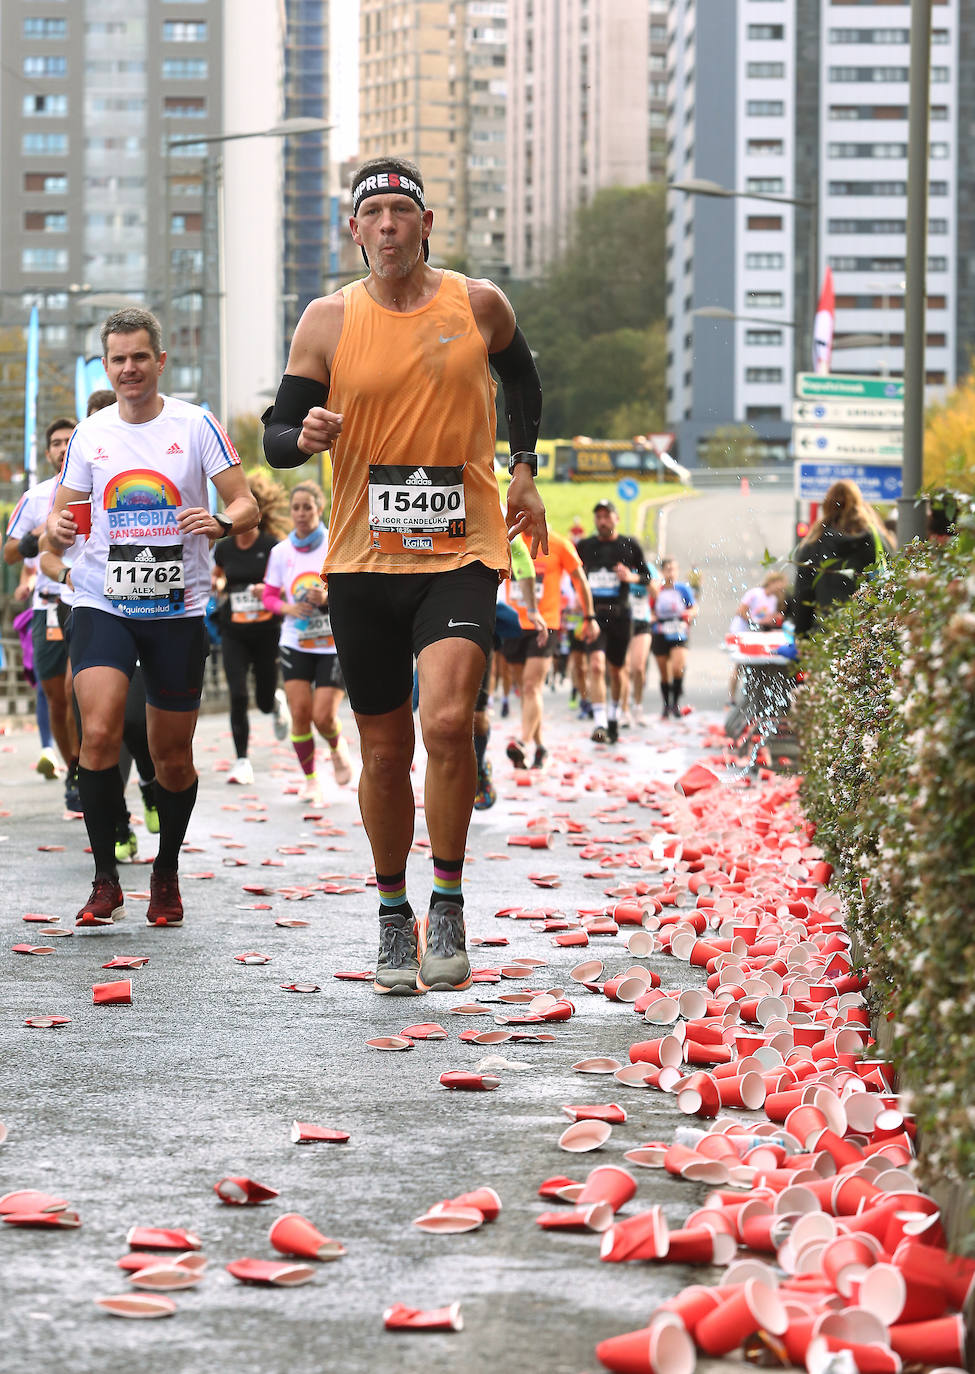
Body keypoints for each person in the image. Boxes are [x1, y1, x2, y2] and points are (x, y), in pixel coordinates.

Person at [263, 154, 547, 996]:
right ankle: (394, 916)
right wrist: (301, 435)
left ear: (425, 226)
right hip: (360, 558)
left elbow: (522, 377)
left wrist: (523, 465)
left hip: (459, 550)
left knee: (449, 721)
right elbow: (278, 437)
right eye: (372, 214)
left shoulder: (478, 303)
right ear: (354, 232)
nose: (387, 226)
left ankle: (449, 903)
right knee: (383, 753)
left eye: (401, 212)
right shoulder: (325, 319)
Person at [47, 306, 258, 928]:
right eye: (119, 359)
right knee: (101, 730)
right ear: (106, 366)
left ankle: (165, 871)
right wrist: (58, 530)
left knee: (172, 757)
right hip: (102, 600)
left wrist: (219, 523)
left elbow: (245, 502)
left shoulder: (196, 426)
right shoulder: (90, 435)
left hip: (176, 606)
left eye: (141, 357)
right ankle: (105, 877)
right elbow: (60, 527)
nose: (130, 368)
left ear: (160, 361)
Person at [40, 386, 162, 862]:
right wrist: (60, 557)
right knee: (95, 723)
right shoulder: (52, 494)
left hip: (148, 604)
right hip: (86, 607)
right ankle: (116, 823)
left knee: (131, 719)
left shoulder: (141, 472)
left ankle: (150, 784)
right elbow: (44, 553)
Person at [4, 417, 82, 809]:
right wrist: (40, 535)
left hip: (86, 602)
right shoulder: (35, 498)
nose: (64, 448)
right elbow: (10, 552)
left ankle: (90, 769)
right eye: (56, 442)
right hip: (48, 607)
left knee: (75, 691)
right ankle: (73, 767)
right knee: (56, 699)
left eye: (71, 440)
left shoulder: (97, 491)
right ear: (48, 451)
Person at [262, 480, 352, 803]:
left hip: (331, 643)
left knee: (322, 715)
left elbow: (353, 590)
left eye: (307, 507)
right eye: (295, 508)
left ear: (320, 507)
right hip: (295, 641)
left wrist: (328, 596)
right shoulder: (280, 553)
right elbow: (270, 596)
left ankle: (337, 747)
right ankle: (311, 779)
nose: (300, 514)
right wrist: (287, 606)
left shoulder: (335, 544)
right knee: (300, 713)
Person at [213, 471, 291, 785]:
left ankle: (275, 700)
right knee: (237, 694)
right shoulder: (225, 547)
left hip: (266, 631)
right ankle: (242, 760)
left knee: (261, 699)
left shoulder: (273, 547)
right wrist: (217, 583)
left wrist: (268, 591)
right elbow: (218, 575)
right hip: (234, 630)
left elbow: (287, 586)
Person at [503, 529, 597, 769]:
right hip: (512, 623)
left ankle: (523, 742)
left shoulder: (559, 545)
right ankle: (540, 747)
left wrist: (589, 617)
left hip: (545, 624)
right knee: (523, 690)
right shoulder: (506, 540)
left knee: (530, 685)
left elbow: (580, 581)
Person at [576, 500, 655, 744]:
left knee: (617, 670)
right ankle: (599, 722)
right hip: (594, 614)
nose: (602, 521)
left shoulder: (629, 545)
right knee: (597, 666)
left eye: (607, 516)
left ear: (616, 518)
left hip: (621, 615)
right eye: (598, 517)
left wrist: (629, 577)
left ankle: (613, 716)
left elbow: (647, 577)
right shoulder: (585, 546)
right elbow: (573, 573)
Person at [474, 535, 540, 808]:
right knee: (441, 716)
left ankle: (478, 769)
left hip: (480, 617)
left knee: (475, 716)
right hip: (430, 618)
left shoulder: (494, 507)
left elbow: (522, 560)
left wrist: (532, 609)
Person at [793, 479, 891, 638]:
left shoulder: (814, 543)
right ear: (858, 504)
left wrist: (801, 636)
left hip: (828, 633)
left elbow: (803, 596)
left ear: (827, 505)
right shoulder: (875, 539)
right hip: (867, 634)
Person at [727, 570, 787, 703]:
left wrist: (772, 619)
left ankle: (753, 696)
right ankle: (731, 697)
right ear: (772, 583)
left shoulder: (773, 599)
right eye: (779, 585)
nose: (781, 588)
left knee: (754, 664)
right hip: (742, 631)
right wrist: (753, 621)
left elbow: (767, 618)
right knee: (739, 665)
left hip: (755, 633)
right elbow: (741, 611)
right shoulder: (755, 593)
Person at [651, 556, 698, 717]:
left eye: (674, 569)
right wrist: (652, 618)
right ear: (662, 572)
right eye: (668, 569)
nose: (671, 573)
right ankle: (665, 704)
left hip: (679, 631)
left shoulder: (683, 589)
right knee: (664, 672)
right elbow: (649, 609)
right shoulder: (657, 589)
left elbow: (694, 608)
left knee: (677, 668)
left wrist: (689, 614)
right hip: (661, 632)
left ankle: (675, 704)